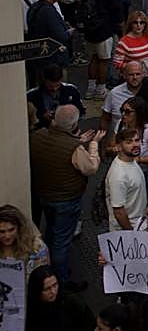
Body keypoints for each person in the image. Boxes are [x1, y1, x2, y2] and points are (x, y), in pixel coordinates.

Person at [28, 104, 102, 290]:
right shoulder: (73, 148)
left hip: (44, 194)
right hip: (66, 199)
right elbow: (91, 167)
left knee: (52, 231)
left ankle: (50, 266)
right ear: (74, 124)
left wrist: (76, 141)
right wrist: (93, 145)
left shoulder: (37, 137)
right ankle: (61, 281)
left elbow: (57, 149)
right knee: (62, 240)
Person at [23, 265, 95, 331]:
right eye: (47, 289)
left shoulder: (71, 302)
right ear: (37, 291)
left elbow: (90, 328)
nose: (53, 291)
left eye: (55, 285)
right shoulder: (30, 309)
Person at [107, 127, 148, 230]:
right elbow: (119, 211)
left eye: (137, 140)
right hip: (127, 230)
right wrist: (131, 234)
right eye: (129, 142)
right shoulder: (118, 175)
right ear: (119, 147)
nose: (135, 145)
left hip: (139, 224)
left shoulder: (131, 161)